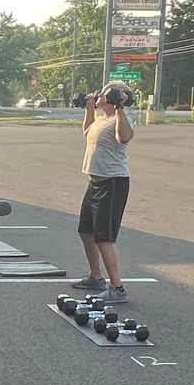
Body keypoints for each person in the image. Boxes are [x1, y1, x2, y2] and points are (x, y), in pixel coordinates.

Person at [71, 82, 136, 304]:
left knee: (104, 238)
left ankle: (117, 289)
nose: (98, 93)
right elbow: (87, 132)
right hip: (95, 183)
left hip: (112, 184)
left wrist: (120, 108)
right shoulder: (100, 119)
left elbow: (124, 137)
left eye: (104, 92)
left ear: (115, 97)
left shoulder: (119, 119)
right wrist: (89, 107)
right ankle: (95, 277)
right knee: (86, 231)